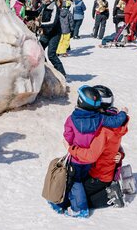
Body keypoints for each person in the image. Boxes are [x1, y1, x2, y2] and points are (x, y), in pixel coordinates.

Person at [55, 85, 129, 217]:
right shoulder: (111, 121)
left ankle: (110, 196)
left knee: (73, 197)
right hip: (105, 171)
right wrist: (120, 154)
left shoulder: (102, 128)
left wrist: (70, 148)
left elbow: (90, 155)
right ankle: (111, 187)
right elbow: (113, 145)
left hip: (98, 174)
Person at [39, 0, 66, 76]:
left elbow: (52, 22)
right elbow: (37, 13)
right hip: (46, 32)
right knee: (39, 49)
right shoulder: (45, 5)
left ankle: (62, 74)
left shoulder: (54, 7)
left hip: (55, 33)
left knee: (51, 54)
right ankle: (45, 69)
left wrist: (40, 24)